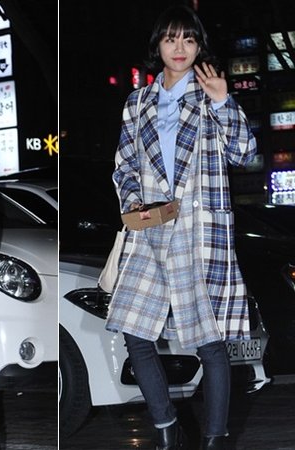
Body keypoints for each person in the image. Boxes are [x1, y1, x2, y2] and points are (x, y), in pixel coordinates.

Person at [106, 5, 256, 450]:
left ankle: (214, 439)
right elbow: (124, 166)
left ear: (198, 47)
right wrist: (133, 201)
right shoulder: (138, 103)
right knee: (135, 332)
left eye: (188, 39)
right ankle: (168, 428)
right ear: (158, 45)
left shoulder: (210, 96)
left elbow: (245, 153)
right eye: (171, 38)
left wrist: (224, 102)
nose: (179, 48)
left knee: (209, 341)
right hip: (150, 231)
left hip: (199, 231)